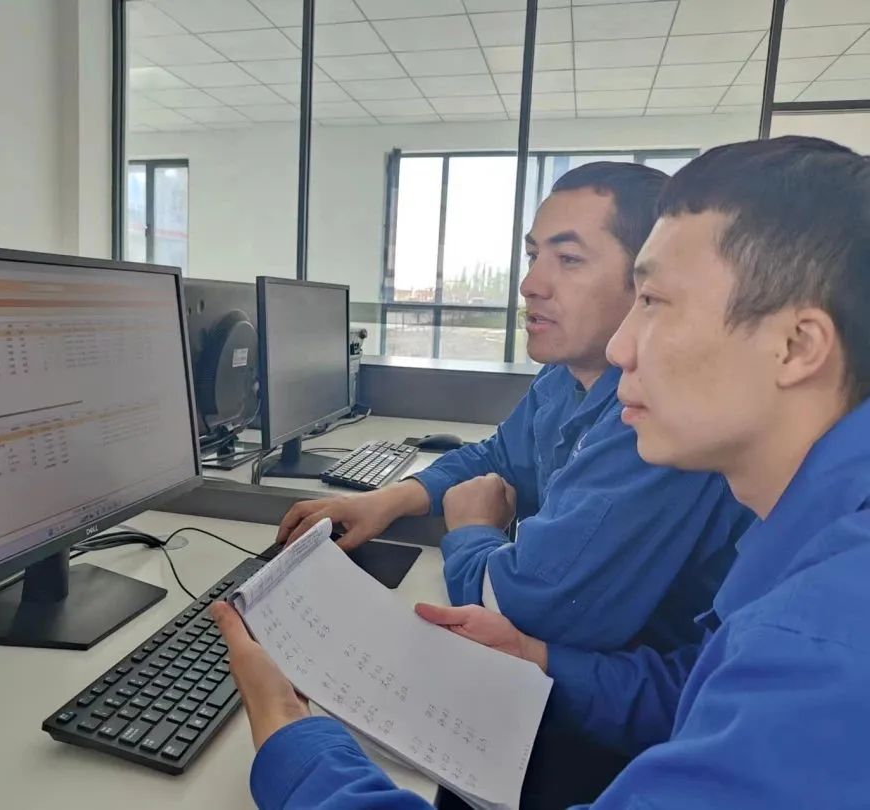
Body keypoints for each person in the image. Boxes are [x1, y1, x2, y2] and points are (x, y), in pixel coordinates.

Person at [213, 135, 870, 809]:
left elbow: (533, 598)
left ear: (797, 347)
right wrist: (538, 657)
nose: (622, 346)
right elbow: (692, 687)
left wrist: (295, 745)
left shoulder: (829, 642)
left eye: (652, 301)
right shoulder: (806, 549)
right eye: (533, 255)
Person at [278, 163, 751, 658]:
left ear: (646, 281)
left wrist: (472, 530)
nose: (530, 284)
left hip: (633, 690)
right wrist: (390, 499)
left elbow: (521, 609)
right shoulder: (565, 375)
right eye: (532, 255)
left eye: (569, 259)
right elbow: (500, 456)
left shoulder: (651, 419)